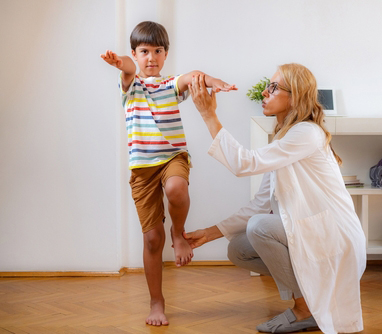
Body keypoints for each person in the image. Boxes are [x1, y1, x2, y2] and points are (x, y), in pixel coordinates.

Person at [185, 64, 366, 334]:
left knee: (260, 227)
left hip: (335, 237)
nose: (264, 92)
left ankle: (304, 309)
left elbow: (243, 164)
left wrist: (209, 115)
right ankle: (311, 301)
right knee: (239, 248)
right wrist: (208, 234)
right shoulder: (286, 137)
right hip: (316, 232)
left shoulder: (305, 133)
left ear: (294, 97)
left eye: (273, 87)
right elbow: (260, 203)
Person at [100, 21, 236, 326]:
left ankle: (179, 232)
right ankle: (156, 301)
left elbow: (192, 77)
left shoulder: (169, 84)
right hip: (142, 170)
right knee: (151, 240)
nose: (151, 58)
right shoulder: (130, 84)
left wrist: (215, 82)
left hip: (173, 157)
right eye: (144, 51)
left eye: (158, 51)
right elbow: (125, 67)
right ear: (135, 54)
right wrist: (118, 61)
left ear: (165, 54)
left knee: (177, 189)